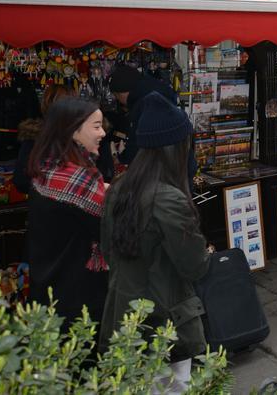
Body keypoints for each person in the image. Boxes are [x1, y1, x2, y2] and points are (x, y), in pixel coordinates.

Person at [100, 92, 210, 392]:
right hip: (163, 321)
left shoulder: (119, 187)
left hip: (123, 317)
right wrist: (206, 250)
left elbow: (108, 251)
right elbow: (195, 266)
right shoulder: (169, 198)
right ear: (175, 148)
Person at [25, 96, 109, 328]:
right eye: (96, 126)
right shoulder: (80, 180)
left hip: (47, 294)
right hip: (79, 304)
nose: (102, 133)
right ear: (73, 131)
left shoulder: (46, 169)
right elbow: (112, 231)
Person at [108, 64, 197, 182]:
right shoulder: (159, 93)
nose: (120, 102)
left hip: (164, 178)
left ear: (122, 93)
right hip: (180, 172)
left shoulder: (144, 104)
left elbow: (137, 143)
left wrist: (122, 158)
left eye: (117, 97)